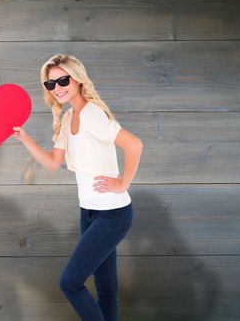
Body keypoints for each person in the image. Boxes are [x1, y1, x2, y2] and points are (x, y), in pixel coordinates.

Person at [13, 54, 143, 321]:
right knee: (106, 288)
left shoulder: (92, 115)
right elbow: (52, 163)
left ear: (78, 79)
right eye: (51, 84)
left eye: (63, 80)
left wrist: (123, 183)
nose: (57, 87)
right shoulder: (68, 117)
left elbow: (134, 145)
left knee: (70, 283)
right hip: (89, 213)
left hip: (113, 214)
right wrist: (24, 138)